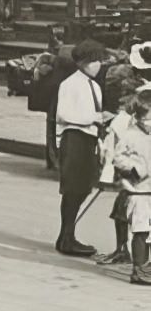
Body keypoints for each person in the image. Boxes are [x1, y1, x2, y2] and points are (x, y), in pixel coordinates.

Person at [55, 39, 110, 256]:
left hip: (88, 138)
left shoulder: (93, 85)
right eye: (95, 61)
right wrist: (95, 118)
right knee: (73, 189)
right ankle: (66, 237)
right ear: (84, 62)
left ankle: (67, 235)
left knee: (83, 187)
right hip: (74, 137)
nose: (98, 66)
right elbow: (64, 114)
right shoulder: (70, 84)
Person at [112, 88, 151, 284]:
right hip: (138, 190)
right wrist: (133, 170)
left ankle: (146, 265)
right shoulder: (130, 135)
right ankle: (139, 269)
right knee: (141, 230)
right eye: (147, 120)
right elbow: (118, 158)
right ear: (138, 117)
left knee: (150, 231)